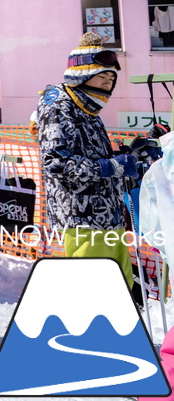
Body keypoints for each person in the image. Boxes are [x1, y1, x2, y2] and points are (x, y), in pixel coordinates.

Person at [38, 33, 137, 289]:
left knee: (119, 284)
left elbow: (93, 157)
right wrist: (109, 167)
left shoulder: (88, 107)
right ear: (82, 75)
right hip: (82, 215)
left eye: (111, 79)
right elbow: (55, 163)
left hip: (108, 213)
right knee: (92, 288)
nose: (107, 84)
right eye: (102, 77)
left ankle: (123, 327)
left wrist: (128, 157)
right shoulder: (60, 106)